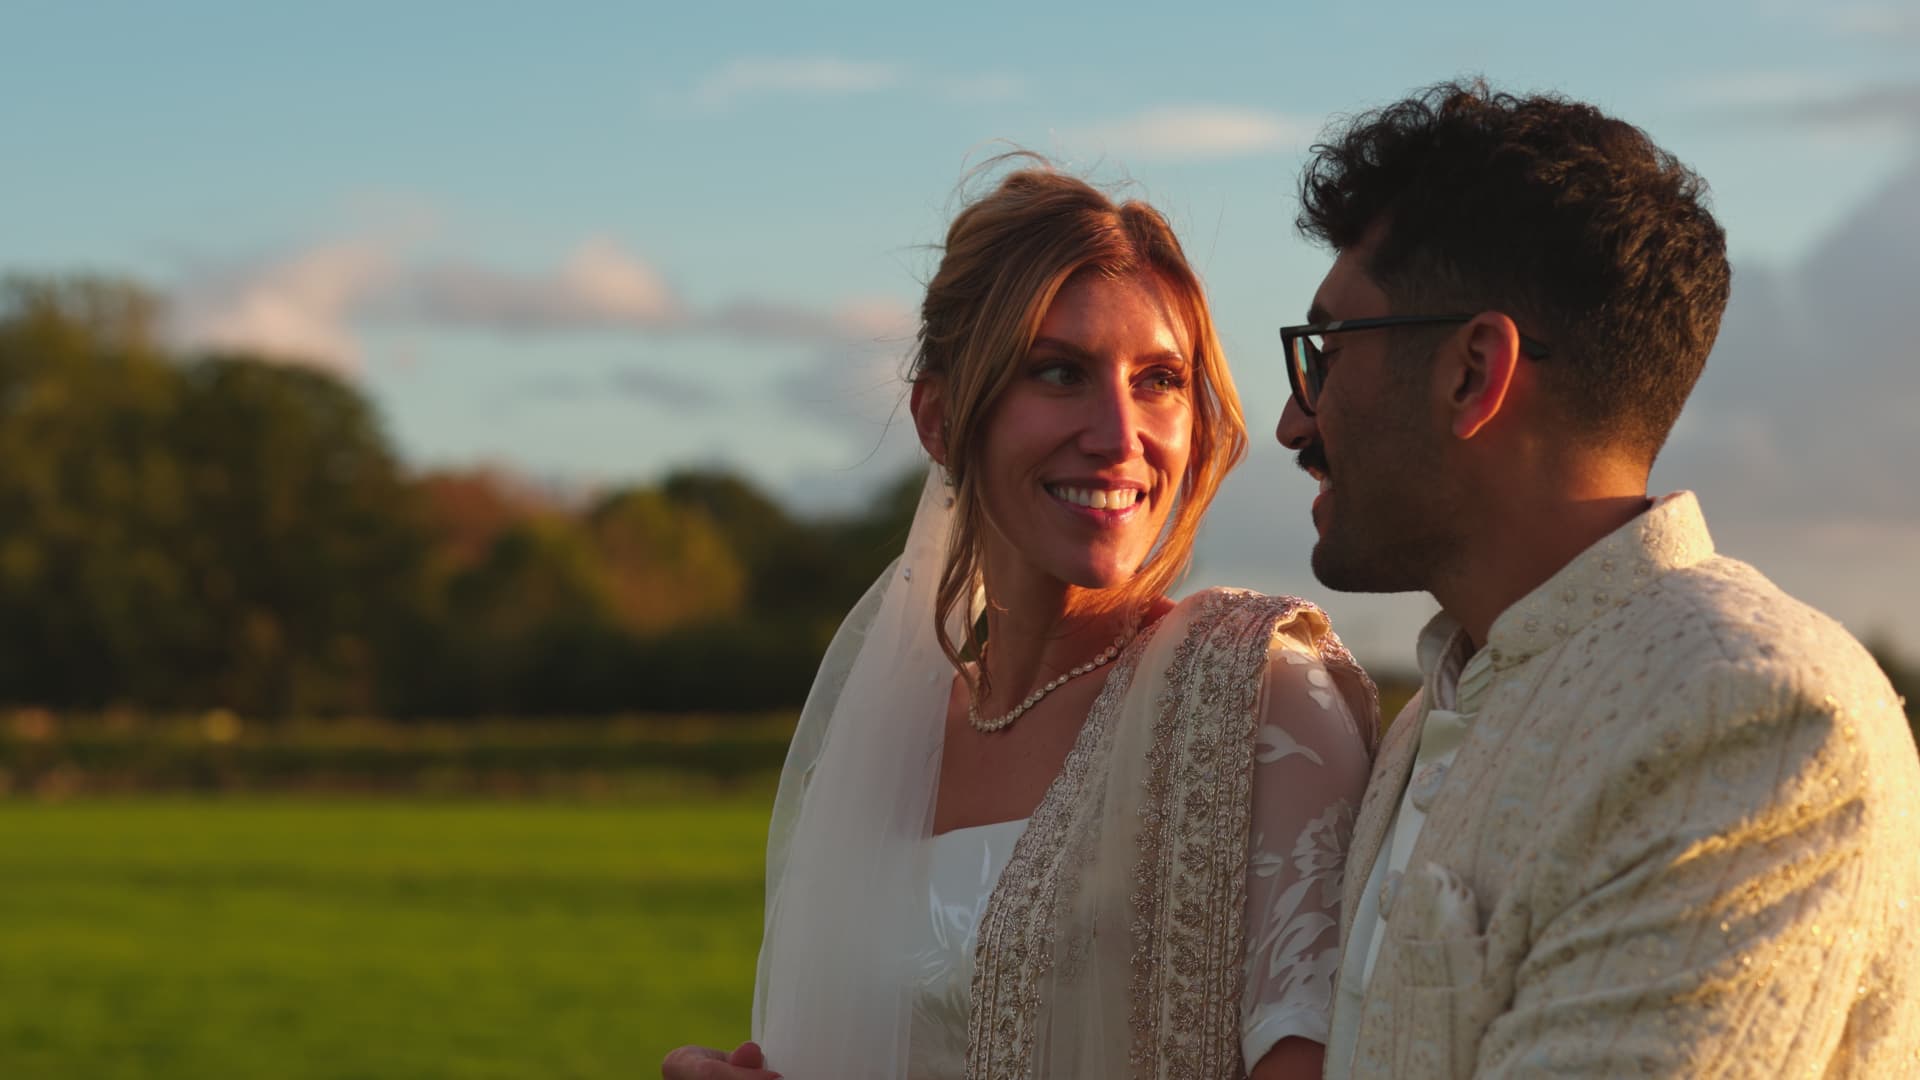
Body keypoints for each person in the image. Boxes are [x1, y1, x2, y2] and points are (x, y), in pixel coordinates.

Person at [663, 164, 1378, 1080]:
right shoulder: (887, 732)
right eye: (1059, 371)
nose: (1120, 434)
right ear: (940, 417)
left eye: (1160, 379)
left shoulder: (1256, 693)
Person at [1272, 81, 1920, 1077]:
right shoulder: (1430, 718)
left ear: (1472, 373)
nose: (1293, 423)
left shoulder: (1747, 712)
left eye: (1326, 350)